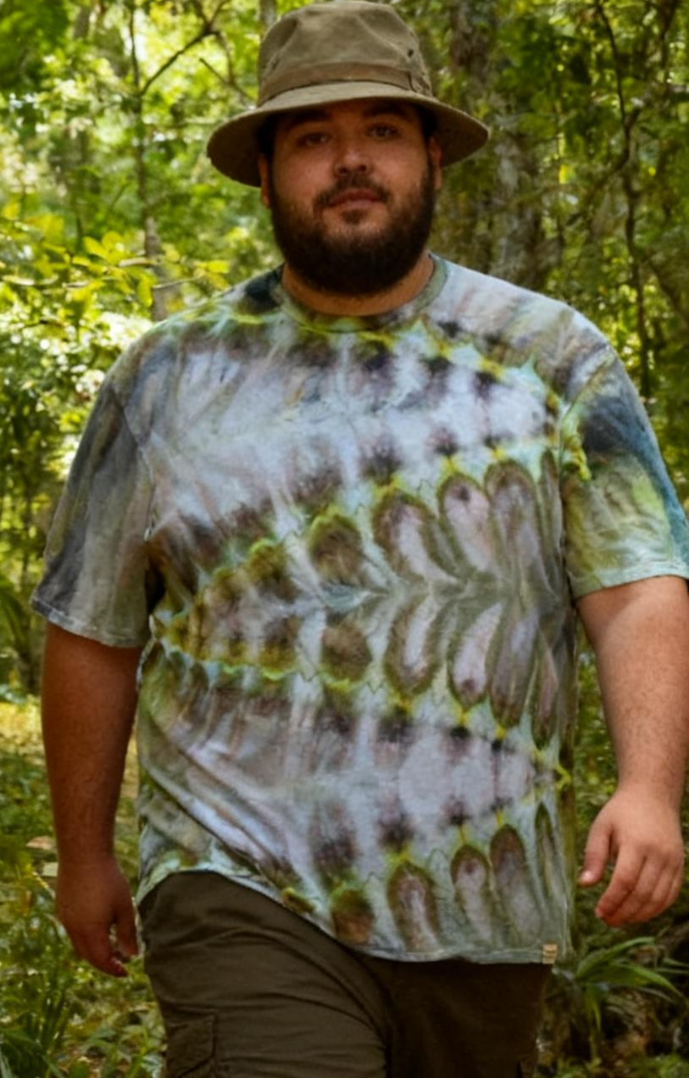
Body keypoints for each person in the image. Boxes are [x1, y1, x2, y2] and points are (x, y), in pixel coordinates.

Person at [31, 2, 689, 1077]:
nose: (350, 161)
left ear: (432, 156)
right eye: (312, 136)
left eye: (382, 129)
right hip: (236, 882)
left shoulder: (551, 358)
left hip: (485, 907)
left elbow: (634, 585)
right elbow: (91, 630)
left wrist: (649, 787)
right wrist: (86, 852)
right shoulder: (167, 379)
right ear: (264, 173)